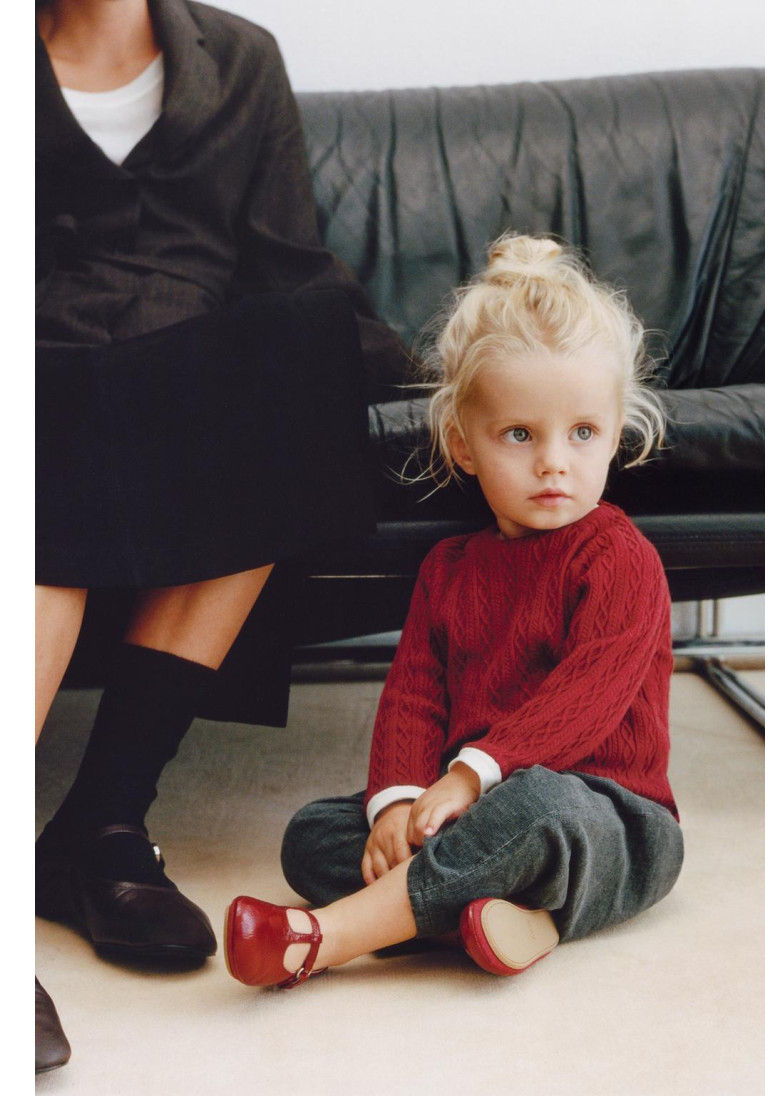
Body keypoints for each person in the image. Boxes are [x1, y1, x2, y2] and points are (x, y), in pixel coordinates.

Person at [34, 0, 408, 1072]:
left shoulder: (242, 58)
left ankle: (102, 824)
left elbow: (289, 260)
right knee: (52, 444)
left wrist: (424, 382)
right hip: (37, 371)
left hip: (184, 382)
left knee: (297, 350)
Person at [223, 234, 685, 989]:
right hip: (467, 809)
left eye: (583, 433)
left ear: (614, 435)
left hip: (607, 816)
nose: (554, 462)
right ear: (463, 445)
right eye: (519, 435)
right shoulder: (447, 570)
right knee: (313, 836)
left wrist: (472, 777)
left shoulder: (619, 557)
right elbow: (414, 695)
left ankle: (325, 937)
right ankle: (497, 916)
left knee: (536, 809)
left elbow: (585, 700)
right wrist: (396, 805)